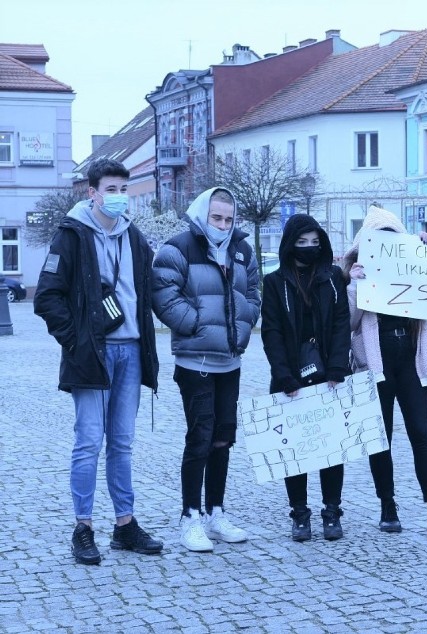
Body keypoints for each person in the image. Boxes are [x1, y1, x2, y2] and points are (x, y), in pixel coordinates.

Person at [33, 158, 162, 565]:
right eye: (111, 189)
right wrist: (77, 342)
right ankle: (83, 528)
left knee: (121, 443)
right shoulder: (71, 235)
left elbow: (150, 293)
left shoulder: (136, 238)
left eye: (124, 190)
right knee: (89, 442)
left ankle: (125, 525)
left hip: (131, 352)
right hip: (93, 355)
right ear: (92, 192)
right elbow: (47, 297)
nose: (119, 197)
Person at [152, 187, 261, 552]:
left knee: (223, 438)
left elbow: (253, 293)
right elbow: (164, 295)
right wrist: (197, 323)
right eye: (217, 217)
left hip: (230, 360)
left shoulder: (242, 250)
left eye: (229, 219)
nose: (223, 225)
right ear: (203, 214)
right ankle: (190, 516)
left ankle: (216, 512)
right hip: (194, 360)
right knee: (200, 437)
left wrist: (243, 326)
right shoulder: (179, 247)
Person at [341, 205, 427, 540]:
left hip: (412, 362)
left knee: (422, 434)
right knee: (380, 439)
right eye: (379, 242)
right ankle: (387, 506)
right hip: (375, 366)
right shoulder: (355, 279)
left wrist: (426, 250)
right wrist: (355, 285)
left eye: (393, 241)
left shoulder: (413, 262)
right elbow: (347, 324)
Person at [261, 214, 351, 541]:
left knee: (331, 447)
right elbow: (271, 332)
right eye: (302, 242)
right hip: (290, 377)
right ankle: (299, 513)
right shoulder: (274, 283)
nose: (309, 248)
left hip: (329, 374)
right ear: (290, 244)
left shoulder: (332, 280)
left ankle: (331, 510)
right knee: (294, 451)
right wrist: (284, 376)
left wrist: (339, 368)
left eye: (315, 242)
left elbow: (342, 325)